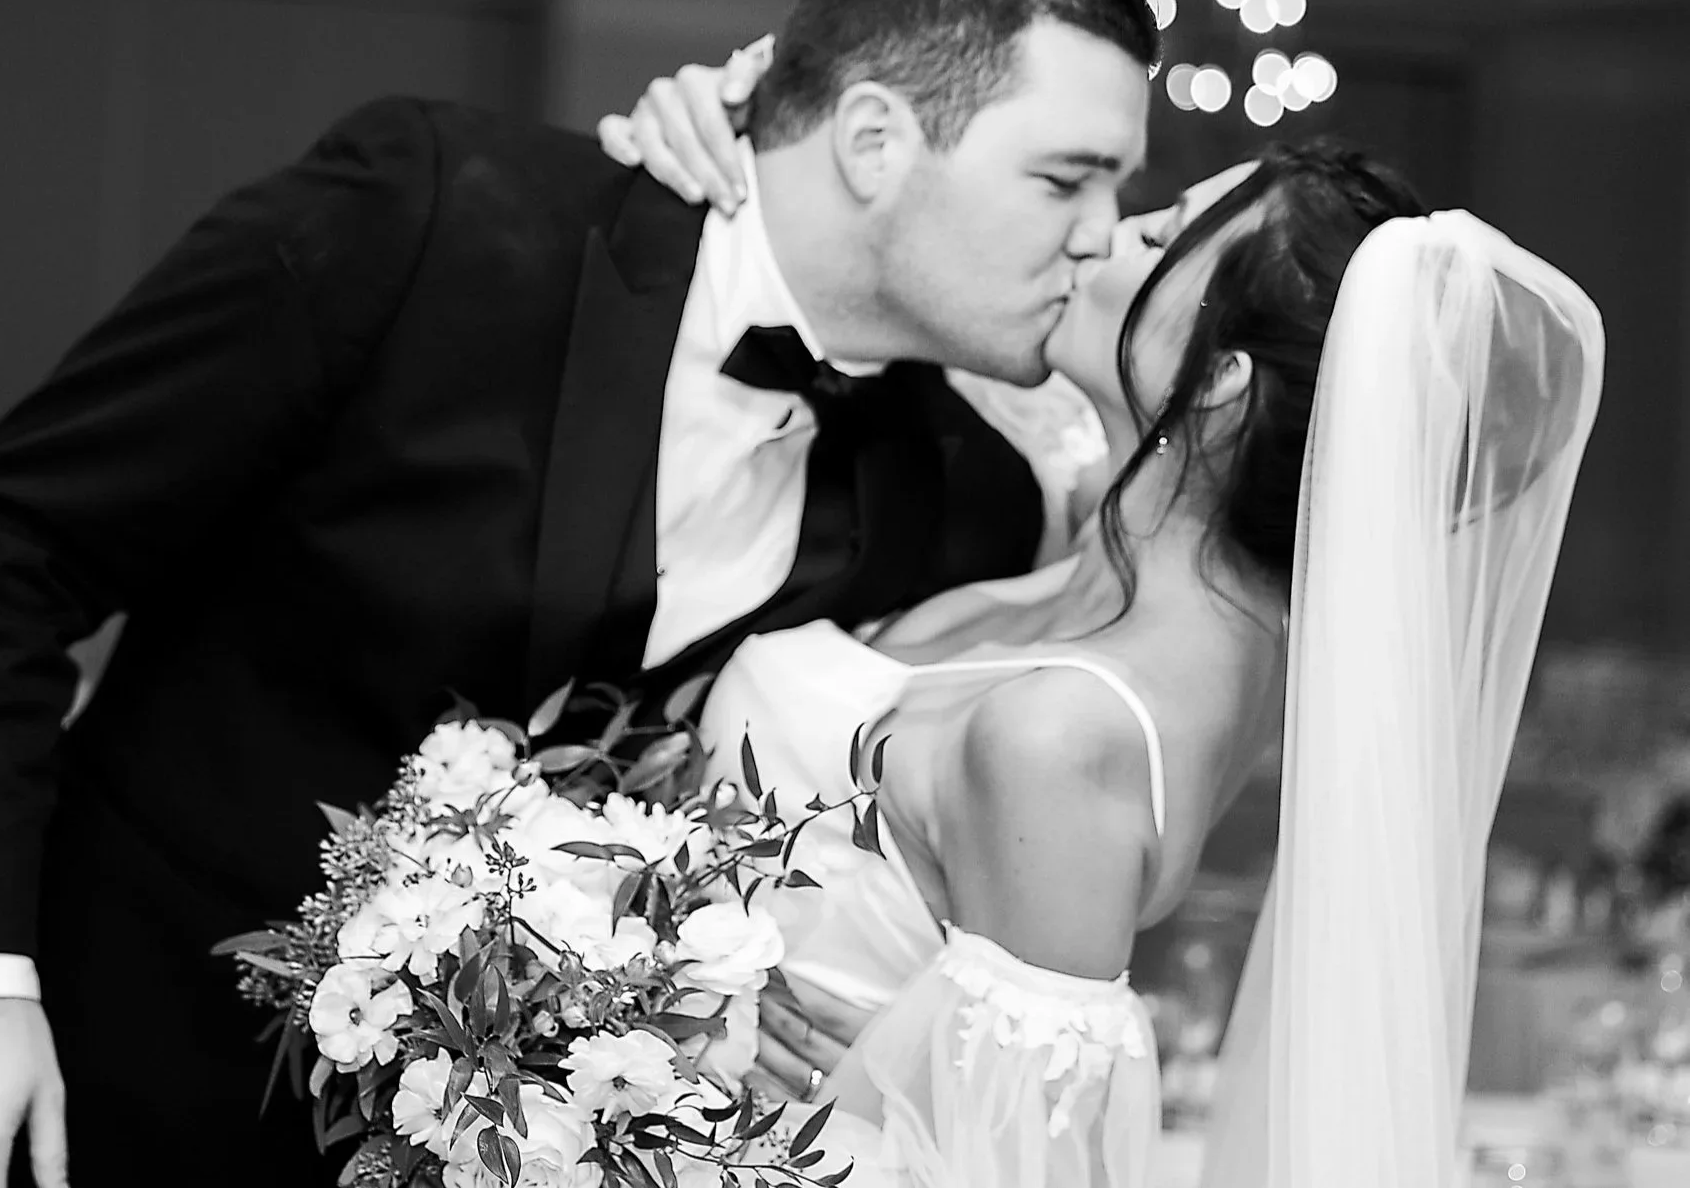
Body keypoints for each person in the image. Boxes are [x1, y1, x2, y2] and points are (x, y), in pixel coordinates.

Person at [0, 0, 1160, 1188]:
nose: (1097, 235)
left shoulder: (961, 493)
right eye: (1064, 178)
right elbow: (9, 545)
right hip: (124, 1067)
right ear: (873, 139)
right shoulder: (433, 218)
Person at [601, 68, 1604, 1186]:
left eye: (1160, 231)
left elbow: (1024, 1165)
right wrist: (750, 118)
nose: (1101, 235)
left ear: (1218, 381)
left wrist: (865, 1096)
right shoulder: (1078, 544)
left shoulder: (1068, 733)